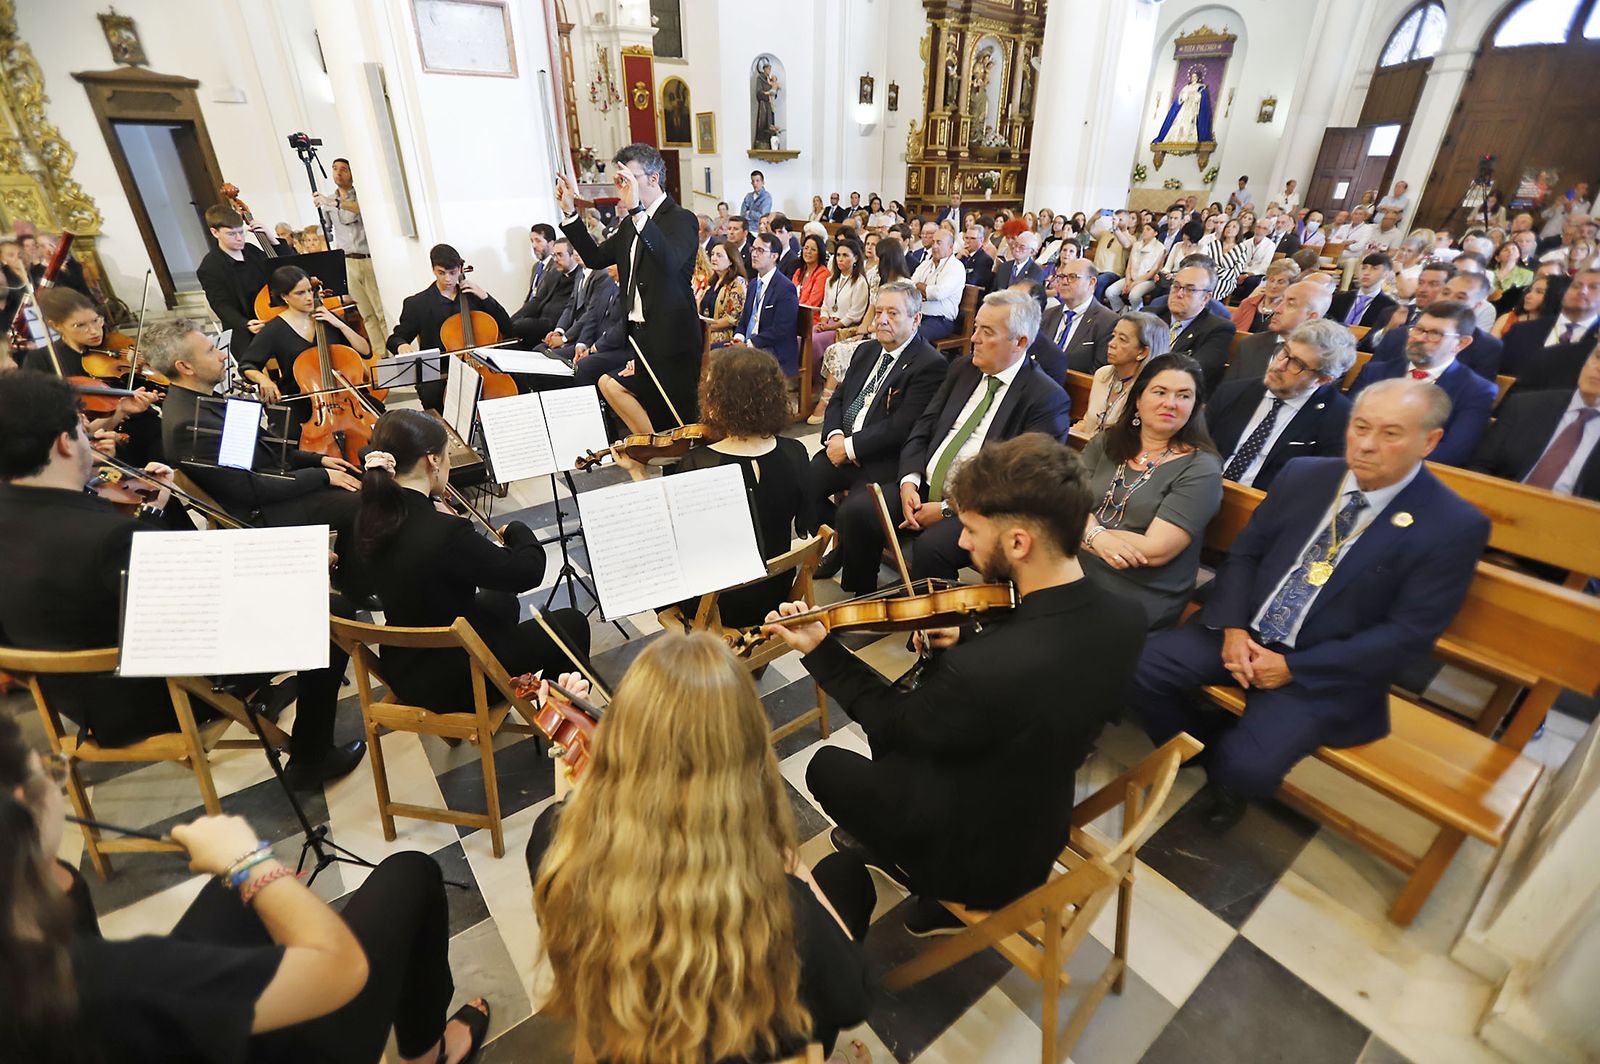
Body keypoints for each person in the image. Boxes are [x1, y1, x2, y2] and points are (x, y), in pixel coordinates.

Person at [769, 433, 1148, 935]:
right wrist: (969, 631)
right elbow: (1043, 673)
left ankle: (924, 883)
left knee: (826, 764)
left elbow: (894, 720)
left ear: (1019, 542)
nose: (961, 542)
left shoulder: (984, 669)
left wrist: (821, 649)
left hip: (977, 862)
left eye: (969, 529)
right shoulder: (1127, 616)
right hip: (1038, 812)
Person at [0, 715, 491, 1064]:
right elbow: (343, 968)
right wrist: (250, 862)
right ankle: (429, 1054)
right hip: (236, 1042)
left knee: (229, 895)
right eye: (48, 772)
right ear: (21, 803)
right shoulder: (85, 983)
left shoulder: (23, 902)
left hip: (139, 1037)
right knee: (411, 872)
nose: (57, 783)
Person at [1132, 379, 1488, 828]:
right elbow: (1246, 554)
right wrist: (1235, 629)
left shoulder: (1452, 524)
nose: (1367, 445)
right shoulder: (1305, 474)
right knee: (1138, 668)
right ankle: (1195, 741)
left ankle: (1228, 780)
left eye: (1391, 434)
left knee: (1248, 769)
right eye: (1360, 427)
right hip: (1244, 631)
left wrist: (1293, 669)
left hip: (1320, 663)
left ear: (1430, 441)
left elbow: (1408, 634)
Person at [0, 371, 364, 785]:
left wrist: (154, 509)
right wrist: (293, 569)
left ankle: (276, 703)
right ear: (64, 443)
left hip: (73, 703)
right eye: (82, 430)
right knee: (327, 612)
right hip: (159, 696)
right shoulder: (108, 535)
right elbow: (202, 612)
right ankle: (312, 757)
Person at [527, 634, 871, 1063]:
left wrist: (575, 751)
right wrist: (791, 864)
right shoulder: (786, 911)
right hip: (742, 1045)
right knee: (846, 878)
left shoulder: (551, 847)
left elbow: (568, 815)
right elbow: (853, 998)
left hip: (626, 1041)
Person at [350, 409, 591, 711]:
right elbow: (526, 573)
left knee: (500, 598)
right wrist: (519, 532)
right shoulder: (445, 532)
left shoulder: (369, 513)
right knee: (572, 623)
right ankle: (562, 721)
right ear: (432, 461)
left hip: (404, 664)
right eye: (447, 455)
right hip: (457, 678)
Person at [616, 348, 813, 626]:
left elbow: (666, 535)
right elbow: (804, 519)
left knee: (652, 568)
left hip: (720, 605)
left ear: (718, 400)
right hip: (775, 593)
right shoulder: (797, 452)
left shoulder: (699, 464)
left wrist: (637, 473)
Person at [896, 290, 1072, 585]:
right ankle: (860, 609)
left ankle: (936, 628)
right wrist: (909, 481)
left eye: (986, 332)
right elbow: (925, 425)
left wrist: (946, 510)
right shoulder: (964, 368)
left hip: (981, 505)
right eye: (976, 326)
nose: (974, 338)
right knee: (860, 511)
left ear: (1020, 342)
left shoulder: (1046, 398)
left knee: (931, 548)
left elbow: (1022, 481)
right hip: (924, 483)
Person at [145, 319, 366, 532]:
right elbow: (249, 489)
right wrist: (322, 476)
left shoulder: (203, 399)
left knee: (366, 478)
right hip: (268, 513)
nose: (223, 356)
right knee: (373, 505)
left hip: (275, 488)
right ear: (185, 367)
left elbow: (267, 447)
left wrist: (319, 460)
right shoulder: (189, 423)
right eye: (211, 351)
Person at [558, 144, 702, 435]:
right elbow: (596, 258)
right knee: (636, 398)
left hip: (673, 334)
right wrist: (570, 214)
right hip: (639, 335)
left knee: (678, 415)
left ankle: (682, 465)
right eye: (619, 180)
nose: (623, 187)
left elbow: (670, 261)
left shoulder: (681, 218)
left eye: (629, 178)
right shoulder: (628, 226)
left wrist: (637, 211)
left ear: (652, 179)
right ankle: (657, 453)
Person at [1077, 353, 1223, 628]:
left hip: (1137, 588)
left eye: (1184, 396)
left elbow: (1154, 550)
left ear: (1196, 406)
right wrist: (1097, 537)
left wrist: (1081, 532)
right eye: (1160, 392)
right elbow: (1063, 504)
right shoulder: (1107, 441)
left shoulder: (1201, 468)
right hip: (1077, 567)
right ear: (1139, 398)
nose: (1170, 403)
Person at [808, 281, 948, 556]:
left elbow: (902, 426)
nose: (882, 319)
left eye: (893, 313)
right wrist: (836, 436)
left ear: (916, 319)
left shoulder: (929, 364)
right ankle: (828, 542)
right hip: (845, 446)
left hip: (883, 459)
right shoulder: (867, 350)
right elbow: (838, 398)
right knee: (805, 478)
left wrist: (850, 447)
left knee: (856, 510)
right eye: (879, 311)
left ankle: (854, 571)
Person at [1209, 319, 1355, 491]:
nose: (1279, 365)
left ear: (1323, 380)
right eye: (1284, 352)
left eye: (1297, 364)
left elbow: (1318, 488)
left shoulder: (1340, 420)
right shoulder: (1233, 392)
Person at [1349, 301, 1496, 466]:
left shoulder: (1476, 390)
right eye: (1418, 329)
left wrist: (1388, 461)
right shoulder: (1374, 372)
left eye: (1435, 333)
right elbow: (1347, 422)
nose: (1419, 338)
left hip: (1417, 472)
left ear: (1461, 343)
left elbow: (1453, 452)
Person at [31, 287, 164, 464]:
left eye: (96, 320)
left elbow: (148, 380)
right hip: (98, 444)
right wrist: (118, 412)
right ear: (55, 325)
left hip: (144, 426)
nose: (94, 331)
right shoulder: (42, 361)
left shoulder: (114, 345)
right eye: (80, 326)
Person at [385, 243, 514, 411]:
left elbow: (508, 327)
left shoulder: (474, 297)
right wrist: (402, 345)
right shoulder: (417, 304)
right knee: (431, 392)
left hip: (482, 367)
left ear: (460, 269)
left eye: (453, 273)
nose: (448, 279)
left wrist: (485, 297)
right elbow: (395, 338)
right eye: (441, 273)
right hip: (442, 371)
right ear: (433, 270)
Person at [1472, 345, 1600, 501]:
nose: (1598, 367)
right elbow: (1479, 465)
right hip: (1498, 506)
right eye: (1598, 357)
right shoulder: (1525, 406)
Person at [243, 265, 372, 413]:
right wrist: (263, 379)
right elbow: (247, 365)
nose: (309, 297)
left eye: (310, 290)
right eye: (300, 293)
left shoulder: (327, 318)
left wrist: (340, 325)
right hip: (302, 399)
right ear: (284, 296)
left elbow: (365, 351)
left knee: (378, 412)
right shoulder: (274, 329)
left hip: (342, 395)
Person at [196, 203, 292, 365]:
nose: (240, 238)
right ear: (215, 232)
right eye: (232, 234)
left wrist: (272, 239)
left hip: (275, 319)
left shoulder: (251, 251)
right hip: (245, 330)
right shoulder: (210, 267)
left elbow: (286, 269)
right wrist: (245, 323)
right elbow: (221, 305)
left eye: (241, 232)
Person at [313, 157, 390, 341]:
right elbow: (324, 232)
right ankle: (381, 357)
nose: (338, 173)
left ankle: (393, 352)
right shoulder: (328, 202)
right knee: (366, 314)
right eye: (334, 169)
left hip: (368, 259)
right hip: (347, 261)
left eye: (344, 169)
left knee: (380, 311)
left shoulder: (361, 197)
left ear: (352, 174)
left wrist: (336, 203)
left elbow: (361, 209)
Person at [1071, 311, 1168, 438]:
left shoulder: (1150, 390)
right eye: (1113, 335)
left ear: (1143, 352)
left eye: (1122, 339)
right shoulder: (1103, 374)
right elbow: (1088, 422)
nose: (1111, 343)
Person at [1501, 266, 1599, 388]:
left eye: (1593, 287)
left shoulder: (1596, 340)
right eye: (1576, 286)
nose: (1582, 291)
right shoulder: (1520, 331)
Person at [806, 239, 871, 420]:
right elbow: (826, 305)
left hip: (845, 328)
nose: (840, 259)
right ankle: (808, 382)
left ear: (856, 258)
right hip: (828, 323)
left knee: (816, 341)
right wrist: (825, 319)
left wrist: (833, 325)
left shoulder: (860, 282)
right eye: (838, 255)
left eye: (845, 256)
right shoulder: (831, 280)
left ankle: (817, 383)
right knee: (803, 336)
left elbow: (855, 314)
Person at [1225, 278, 1332, 384]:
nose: (1277, 309)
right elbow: (1226, 391)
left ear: (1311, 317)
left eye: (1290, 304)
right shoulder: (1250, 344)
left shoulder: (1323, 360)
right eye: (1281, 301)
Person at [1157, 261, 1237, 390]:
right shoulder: (1151, 315)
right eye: (1176, 286)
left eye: (1189, 289)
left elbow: (1194, 372)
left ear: (1206, 298)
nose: (1179, 294)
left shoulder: (1219, 329)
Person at [1033, 259, 1117, 381]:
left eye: (1072, 277)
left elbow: (1099, 374)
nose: (1064, 282)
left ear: (1091, 282)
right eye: (1061, 276)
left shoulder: (1108, 321)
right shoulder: (1047, 315)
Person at [732, 233, 800, 375]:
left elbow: (781, 329)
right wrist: (738, 339)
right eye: (753, 249)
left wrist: (749, 344)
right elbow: (744, 321)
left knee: (736, 364)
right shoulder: (752, 284)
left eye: (760, 250)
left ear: (774, 256)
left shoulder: (785, 288)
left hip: (774, 349)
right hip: (751, 344)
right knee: (713, 351)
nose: (754, 254)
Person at [509, 235, 579, 347]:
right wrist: (512, 320)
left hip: (555, 324)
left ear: (573, 256)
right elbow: (537, 301)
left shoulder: (580, 277)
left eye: (560, 255)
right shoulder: (554, 273)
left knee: (520, 327)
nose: (555, 259)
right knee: (510, 337)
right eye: (554, 255)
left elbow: (570, 310)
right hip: (541, 320)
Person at [909, 228, 965, 342]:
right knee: (897, 330)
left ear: (951, 247)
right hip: (918, 315)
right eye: (933, 242)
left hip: (940, 320)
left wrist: (920, 286)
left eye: (939, 242)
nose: (934, 246)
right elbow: (910, 286)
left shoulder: (956, 267)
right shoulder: (925, 264)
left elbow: (938, 293)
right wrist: (923, 289)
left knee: (912, 338)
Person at [1328, 253, 1399, 330]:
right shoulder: (1339, 299)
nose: (1366, 273)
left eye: (1374, 268)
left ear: (1386, 274)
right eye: (1364, 268)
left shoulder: (1390, 307)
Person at [698, 239, 748, 348]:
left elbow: (733, 319)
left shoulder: (737, 282)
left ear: (731, 260)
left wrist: (706, 328)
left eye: (719, 255)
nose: (714, 258)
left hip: (723, 336)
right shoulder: (711, 282)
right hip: (704, 332)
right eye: (712, 254)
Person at [1231, 259, 1300, 333]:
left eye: (1281, 282)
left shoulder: (1291, 311)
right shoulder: (1247, 303)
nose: (1274, 286)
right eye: (1271, 280)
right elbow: (1231, 332)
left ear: (1291, 285)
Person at [1107, 222, 1165, 311]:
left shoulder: (1160, 248)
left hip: (1147, 280)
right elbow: (1129, 266)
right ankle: (1121, 310)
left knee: (1134, 296)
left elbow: (1152, 271)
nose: (1144, 231)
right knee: (1110, 292)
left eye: (1148, 229)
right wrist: (1128, 281)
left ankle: (1137, 313)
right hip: (1131, 278)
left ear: (1155, 233)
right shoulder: (1136, 244)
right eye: (1144, 229)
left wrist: (1133, 284)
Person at [1491, 273, 1560, 338]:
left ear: (1553, 296)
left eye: (1539, 292)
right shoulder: (1508, 318)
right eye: (1530, 290)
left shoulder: (1556, 331)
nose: (1528, 296)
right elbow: (1491, 347)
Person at [789, 232, 829, 308]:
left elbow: (812, 303)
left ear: (820, 253)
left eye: (813, 250)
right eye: (806, 248)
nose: (808, 252)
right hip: (793, 312)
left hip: (810, 316)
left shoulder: (823, 273)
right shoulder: (799, 271)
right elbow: (790, 294)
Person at [958, 222, 995, 290]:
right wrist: (956, 259)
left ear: (981, 240)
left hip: (971, 296)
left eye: (972, 238)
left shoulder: (985, 260)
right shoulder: (959, 255)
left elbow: (972, 282)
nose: (968, 241)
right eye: (966, 238)